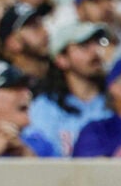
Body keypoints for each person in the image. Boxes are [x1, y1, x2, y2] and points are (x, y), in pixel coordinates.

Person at [29, 22, 112, 156]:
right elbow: (40, 158)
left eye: (99, 43)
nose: (96, 51)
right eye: (84, 46)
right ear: (61, 59)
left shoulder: (117, 99)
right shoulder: (45, 107)